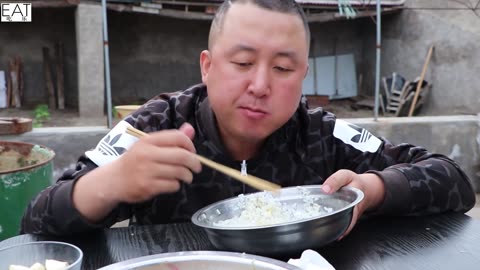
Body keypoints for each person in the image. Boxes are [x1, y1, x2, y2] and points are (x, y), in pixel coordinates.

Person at [21, 0, 475, 238]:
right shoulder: (156, 125)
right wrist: (112, 183)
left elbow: (454, 180)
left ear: (302, 77)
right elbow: (36, 222)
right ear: (207, 65)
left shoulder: (321, 134)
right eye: (241, 63)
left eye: (282, 68)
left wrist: (371, 190)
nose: (261, 85)